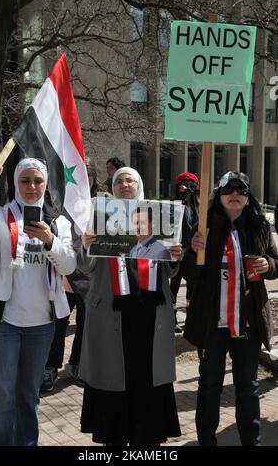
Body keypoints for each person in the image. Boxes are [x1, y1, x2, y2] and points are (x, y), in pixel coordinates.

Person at [77, 166, 182, 446]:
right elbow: (85, 268)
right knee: (114, 377)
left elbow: (169, 272)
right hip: (113, 315)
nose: (125, 184)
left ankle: (146, 441)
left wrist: (174, 256)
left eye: (130, 180)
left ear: (140, 186)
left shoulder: (160, 221)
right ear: (111, 188)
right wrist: (85, 245)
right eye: (119, 181)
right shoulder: (98, 218)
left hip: (150, 318)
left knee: (147, 380)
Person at [0, 158, 76, 446]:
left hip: (41, 325)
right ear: (16, 183)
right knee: (2, 393)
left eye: (38, 181)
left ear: (46, 184)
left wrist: (50, 240)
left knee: (29, 394)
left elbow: (69, 266)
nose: (32, 187)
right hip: (2, 323)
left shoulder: (58, 222)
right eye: (25, 180)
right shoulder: (0, 213)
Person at [183, 171, 278, 446]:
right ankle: (206, 441)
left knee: (248, 388)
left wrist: (268, 265)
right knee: (209, 386)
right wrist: (193, 250)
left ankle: (252, 441)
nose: (234, 194)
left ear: (248, 199)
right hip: (214, 323)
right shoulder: (204, 226)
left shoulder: (260, 226)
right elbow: (190, 274)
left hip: (248, 323)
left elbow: (275, 262)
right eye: (228, 190)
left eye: (241, 191)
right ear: (219, 196)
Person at [40, 156, 105, 392]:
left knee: (86, 322)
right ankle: (50, 366)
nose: (81, 177)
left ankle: (78, 363)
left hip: (90, 274)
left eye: (86, 172)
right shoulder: (53, 200)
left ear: (92, 176)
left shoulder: (102, 202)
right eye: (76, 172)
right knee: (58, 322)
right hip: (61, 272)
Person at [170, 172, 199, 333]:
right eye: (184, 185)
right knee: (174, 286)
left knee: (192, 287)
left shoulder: (199, 208)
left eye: (191, 185)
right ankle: (173, 318)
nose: (187, 189)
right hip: (177, 252)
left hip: (192, 253)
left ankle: (191, 318)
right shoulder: (173, 206)